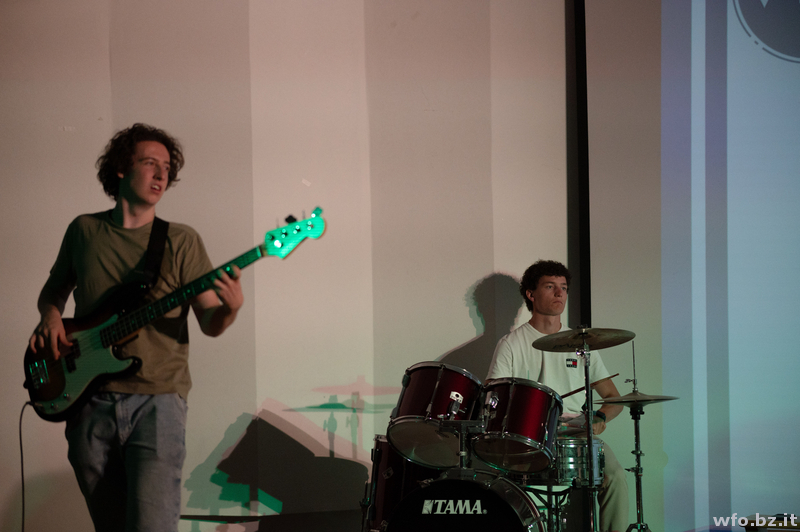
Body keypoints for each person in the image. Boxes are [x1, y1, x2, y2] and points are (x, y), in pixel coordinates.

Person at [27, 123, 244, 532]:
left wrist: (230, 309)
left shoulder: (181, 241)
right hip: (87, 399)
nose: (161, 174)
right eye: (149, 163)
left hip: (158, 402)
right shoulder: (84, 231)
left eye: (167, 168)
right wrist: (51, 316)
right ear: (121, 169)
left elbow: (210, 322)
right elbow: (52, 293)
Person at [486, 259, 629, 532]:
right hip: (531, 435)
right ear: (531, 294)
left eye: (563, 287)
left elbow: (613, 397)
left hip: (575, 431)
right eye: (550, 286)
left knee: (615, 477)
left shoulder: (582, 343)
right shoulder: (511, 344)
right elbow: (494, 397)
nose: (559, 293)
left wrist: (599, 417)